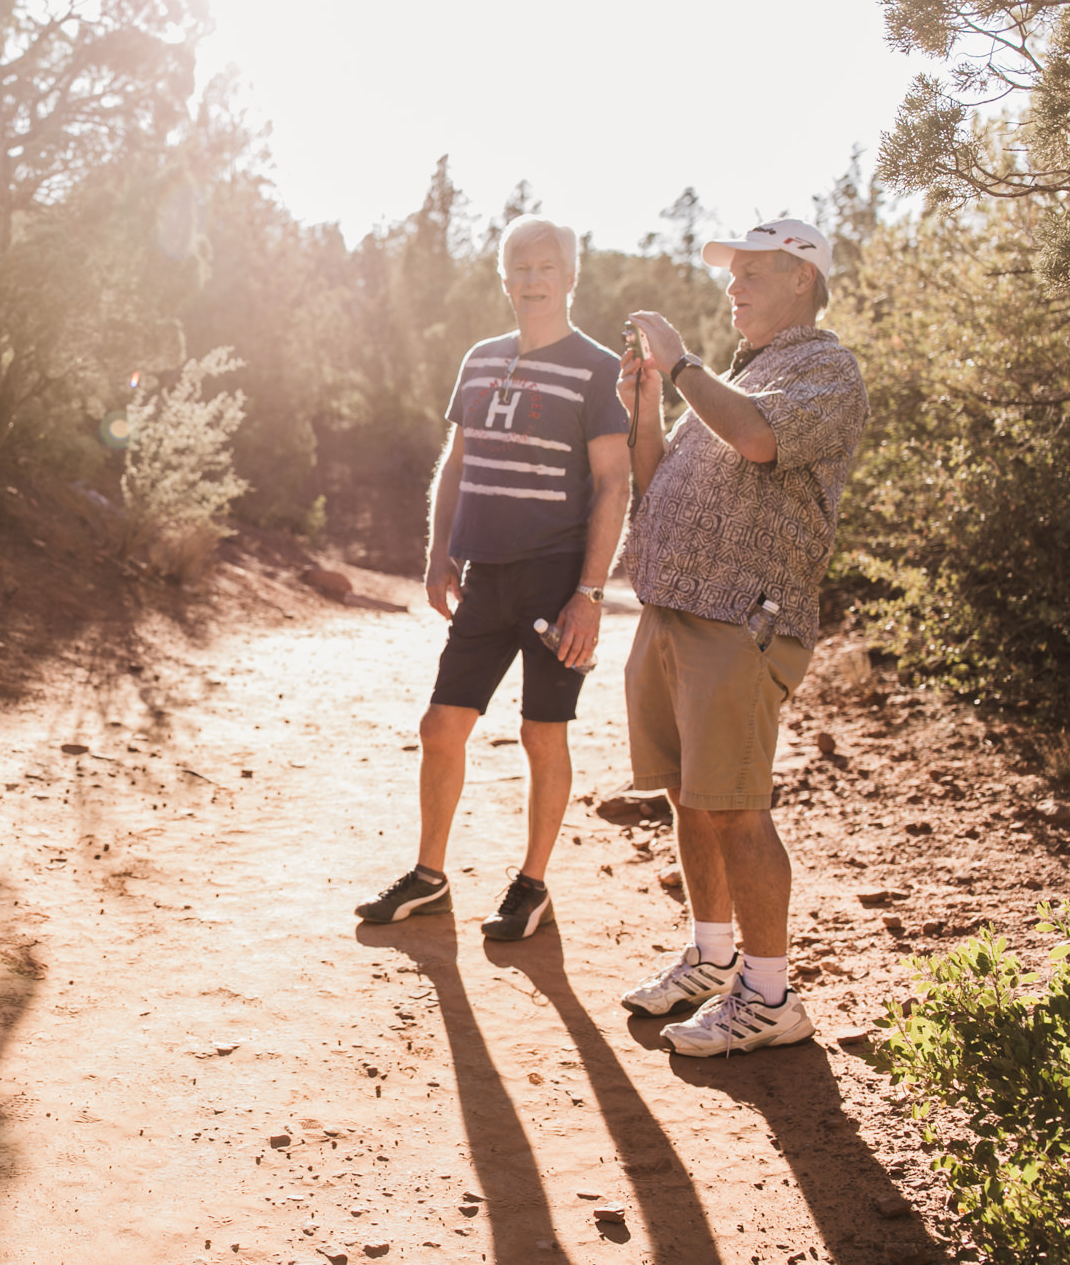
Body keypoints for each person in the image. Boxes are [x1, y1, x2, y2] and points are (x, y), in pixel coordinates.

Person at [614, 218, 867, 1056]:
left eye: (753, 271)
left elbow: (759, 439)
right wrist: (647, 404)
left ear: (803, 278)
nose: (734, 285)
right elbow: (657, 486)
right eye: (732, 272)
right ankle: (712, 955)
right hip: (674, 611)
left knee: (735, 806)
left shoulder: (826, 366)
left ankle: (768, 994)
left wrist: (680, 365)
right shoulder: (734, 376)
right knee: (692, 795)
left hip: (741, 617)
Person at [356, 215, 631, 940]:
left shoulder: (599, 369)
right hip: (483, 575)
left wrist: (590, 595)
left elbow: (613, 485)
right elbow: (458, 463)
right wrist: (438, 550)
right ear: (504, 277)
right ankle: (428, 878)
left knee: (543, 734)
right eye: (520, 267)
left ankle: (533, 885)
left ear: (571, 276)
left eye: (547, 267)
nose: (533, 280)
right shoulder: (478, 360)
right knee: (442, 724)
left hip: (556, 581)